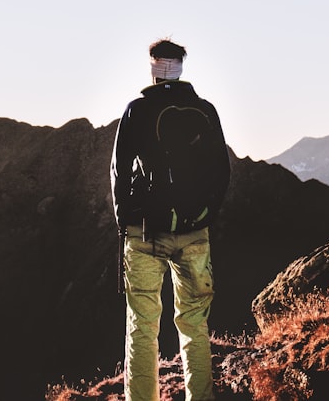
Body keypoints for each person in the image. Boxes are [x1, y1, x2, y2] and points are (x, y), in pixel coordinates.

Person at [110, 38, 231, 401]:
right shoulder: (205, 110)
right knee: (194, 324)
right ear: (180, 66)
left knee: (143, 327)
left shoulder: (138, 109)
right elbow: (222, 171)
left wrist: (124, 218)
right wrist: (205, 213)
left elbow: (119, 170)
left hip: (145, 232)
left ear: (153, 65)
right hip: (195, 232)